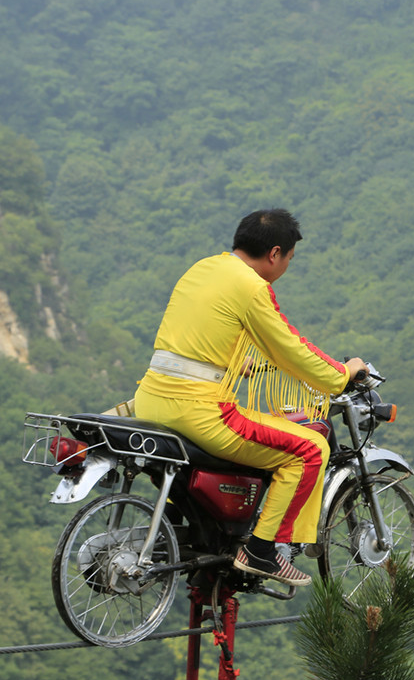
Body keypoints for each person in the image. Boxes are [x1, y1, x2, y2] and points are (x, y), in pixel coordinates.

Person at [134, 209, 367, 586]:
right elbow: (288, 347)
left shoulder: (202, 268)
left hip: (151, 400)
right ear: (275, 253)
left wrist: (237, 365)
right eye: (290, 258)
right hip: (198, 411)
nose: (288, 265)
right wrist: (342, 374)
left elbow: (198, 334)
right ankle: (260, 551)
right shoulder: (252, 287)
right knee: (309, 450)